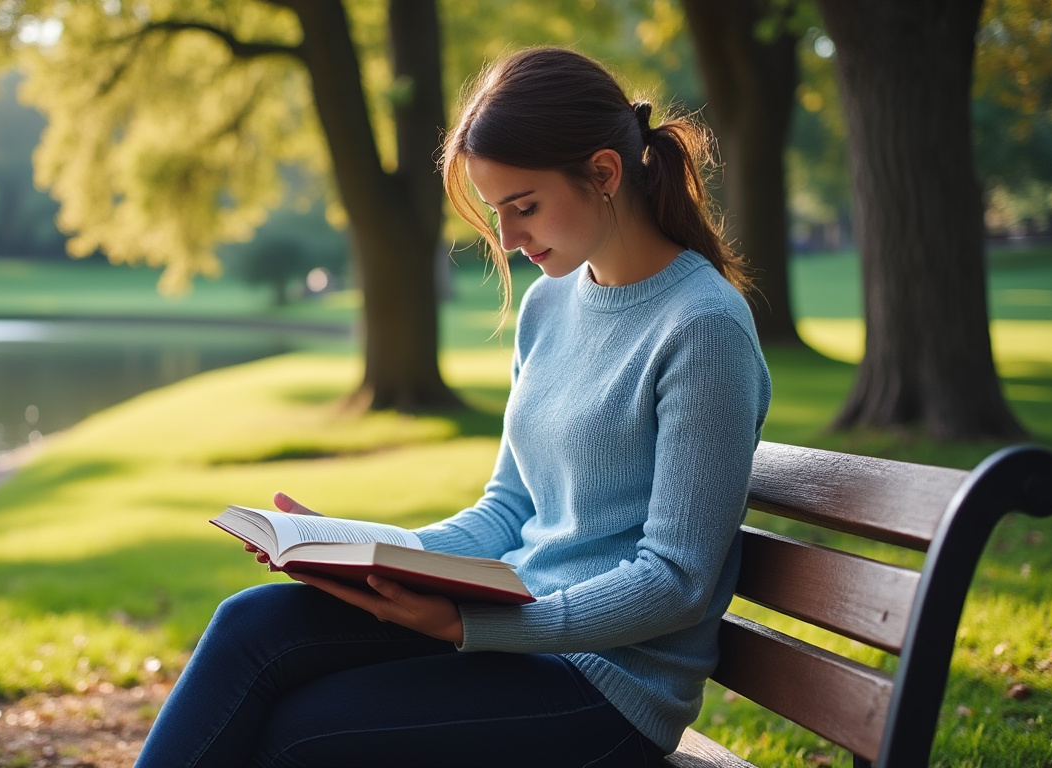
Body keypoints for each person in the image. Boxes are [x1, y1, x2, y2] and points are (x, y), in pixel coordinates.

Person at [133, 46, 771, 768]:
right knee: (251, 626)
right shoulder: (550, 303)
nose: (507, 239)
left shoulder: (702, 327)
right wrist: (358, 550)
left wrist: (473, 624)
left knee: (302, 733)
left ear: (604, 173)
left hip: (609, 687)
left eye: (523, 207)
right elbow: (505, 511)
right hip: (522, 627)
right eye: (497, 213)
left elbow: (676, 582)